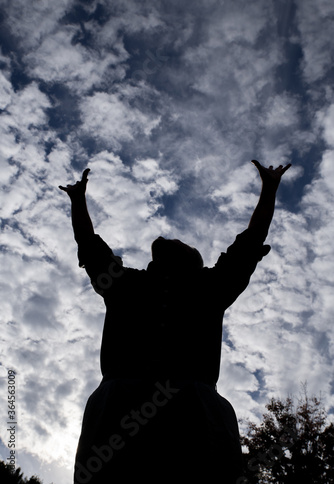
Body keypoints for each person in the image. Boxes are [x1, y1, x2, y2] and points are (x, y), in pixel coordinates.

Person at [59, 159, 291, 483]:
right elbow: (88, 244)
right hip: (120, 406)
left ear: (193, 263)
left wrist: (269, 189)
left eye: (183, 245)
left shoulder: (210, 286)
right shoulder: (124, 282)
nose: (172, 241)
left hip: (192, 410)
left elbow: (250, 243)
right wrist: (78, 200)